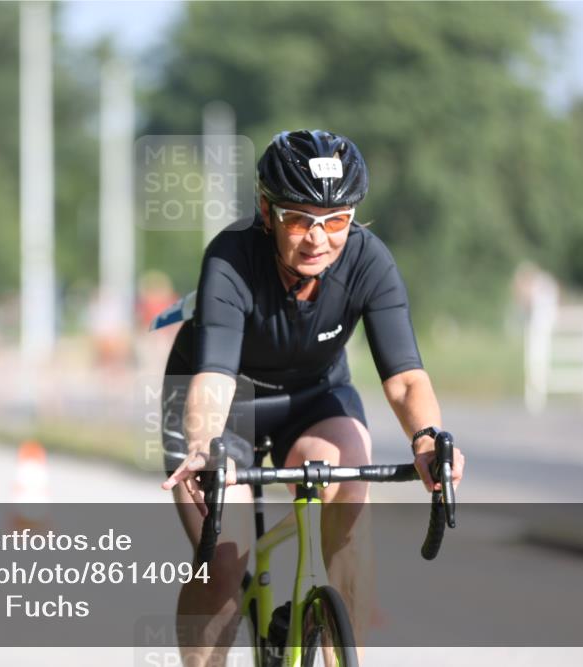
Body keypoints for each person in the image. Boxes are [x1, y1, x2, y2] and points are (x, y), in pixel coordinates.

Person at [160, 129, 465, 664]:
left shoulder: (369, 261)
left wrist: (426, 437)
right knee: (225, 561)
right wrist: (205, 443)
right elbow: (214, 377)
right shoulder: (231, 258)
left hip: (313, 399)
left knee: (347, 495)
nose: (318, 238)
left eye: (337, 221)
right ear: (266, 210)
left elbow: (405, 378)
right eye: (300, 219)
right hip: (222, 406)